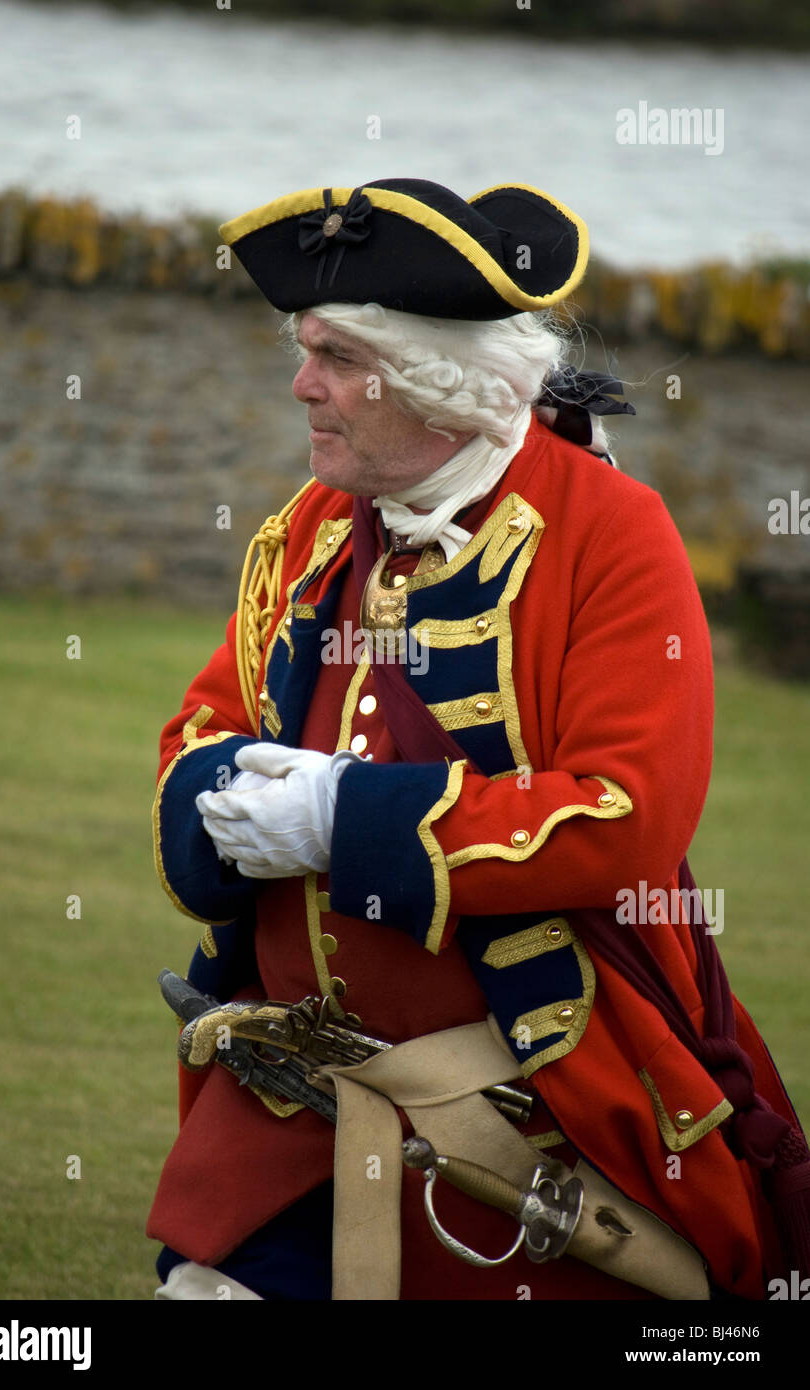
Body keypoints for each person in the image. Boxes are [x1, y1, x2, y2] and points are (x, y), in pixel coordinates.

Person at [147, 178, 808, 1302]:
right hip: (286, 1114)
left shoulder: (610, 535)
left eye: (340, 358)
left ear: (438, 379)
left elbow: (625, 816)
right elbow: (204, 722)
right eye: (307, 350)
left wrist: (342, 818)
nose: (303, 384)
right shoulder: (310, 528)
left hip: (531, 1112)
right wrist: (219, 796)